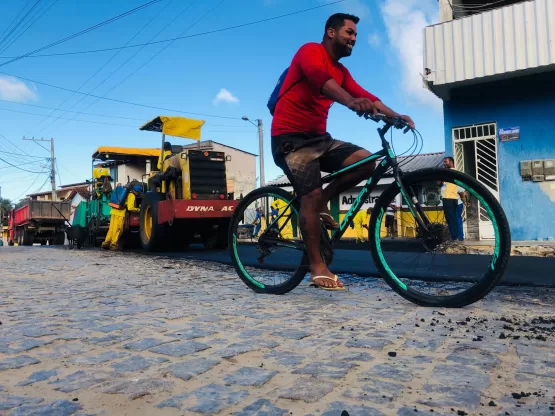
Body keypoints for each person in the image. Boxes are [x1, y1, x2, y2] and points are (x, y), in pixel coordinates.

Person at [271, 13, 414, 290]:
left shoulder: (342, 71)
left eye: (356, 35)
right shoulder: (309, 51)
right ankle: (317, 267)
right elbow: (320, 79)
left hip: (320, 140)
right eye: (349, 32)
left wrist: (397, 115)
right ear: (331, 32)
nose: (354, 39)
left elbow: (367, 95)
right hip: (289, 140)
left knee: (364, 162)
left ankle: (323, 200)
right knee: (309, 196)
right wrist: (351, 102)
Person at [101, 185, 141, 251]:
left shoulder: (125, 193)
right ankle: (113, 245)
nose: (139, 194)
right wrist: (139, 209)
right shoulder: (132, 195)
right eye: (139, 192)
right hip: (120, 214)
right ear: (137, 191)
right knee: (118, 230)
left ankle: (106, 243)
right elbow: (130, 208)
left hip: (113, 212)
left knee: (111, 229)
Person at [440, 157, 469, 241]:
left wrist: (464, 201)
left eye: (446, 162)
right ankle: (455, 237)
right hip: (448, 200)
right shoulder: (446, 174)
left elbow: (460, 190)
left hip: (456, 201)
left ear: (451, 162)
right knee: (452, 219)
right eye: (444, 162)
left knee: (456, 219)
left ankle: (459, 237)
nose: (444, 163)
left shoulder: (455, 173)